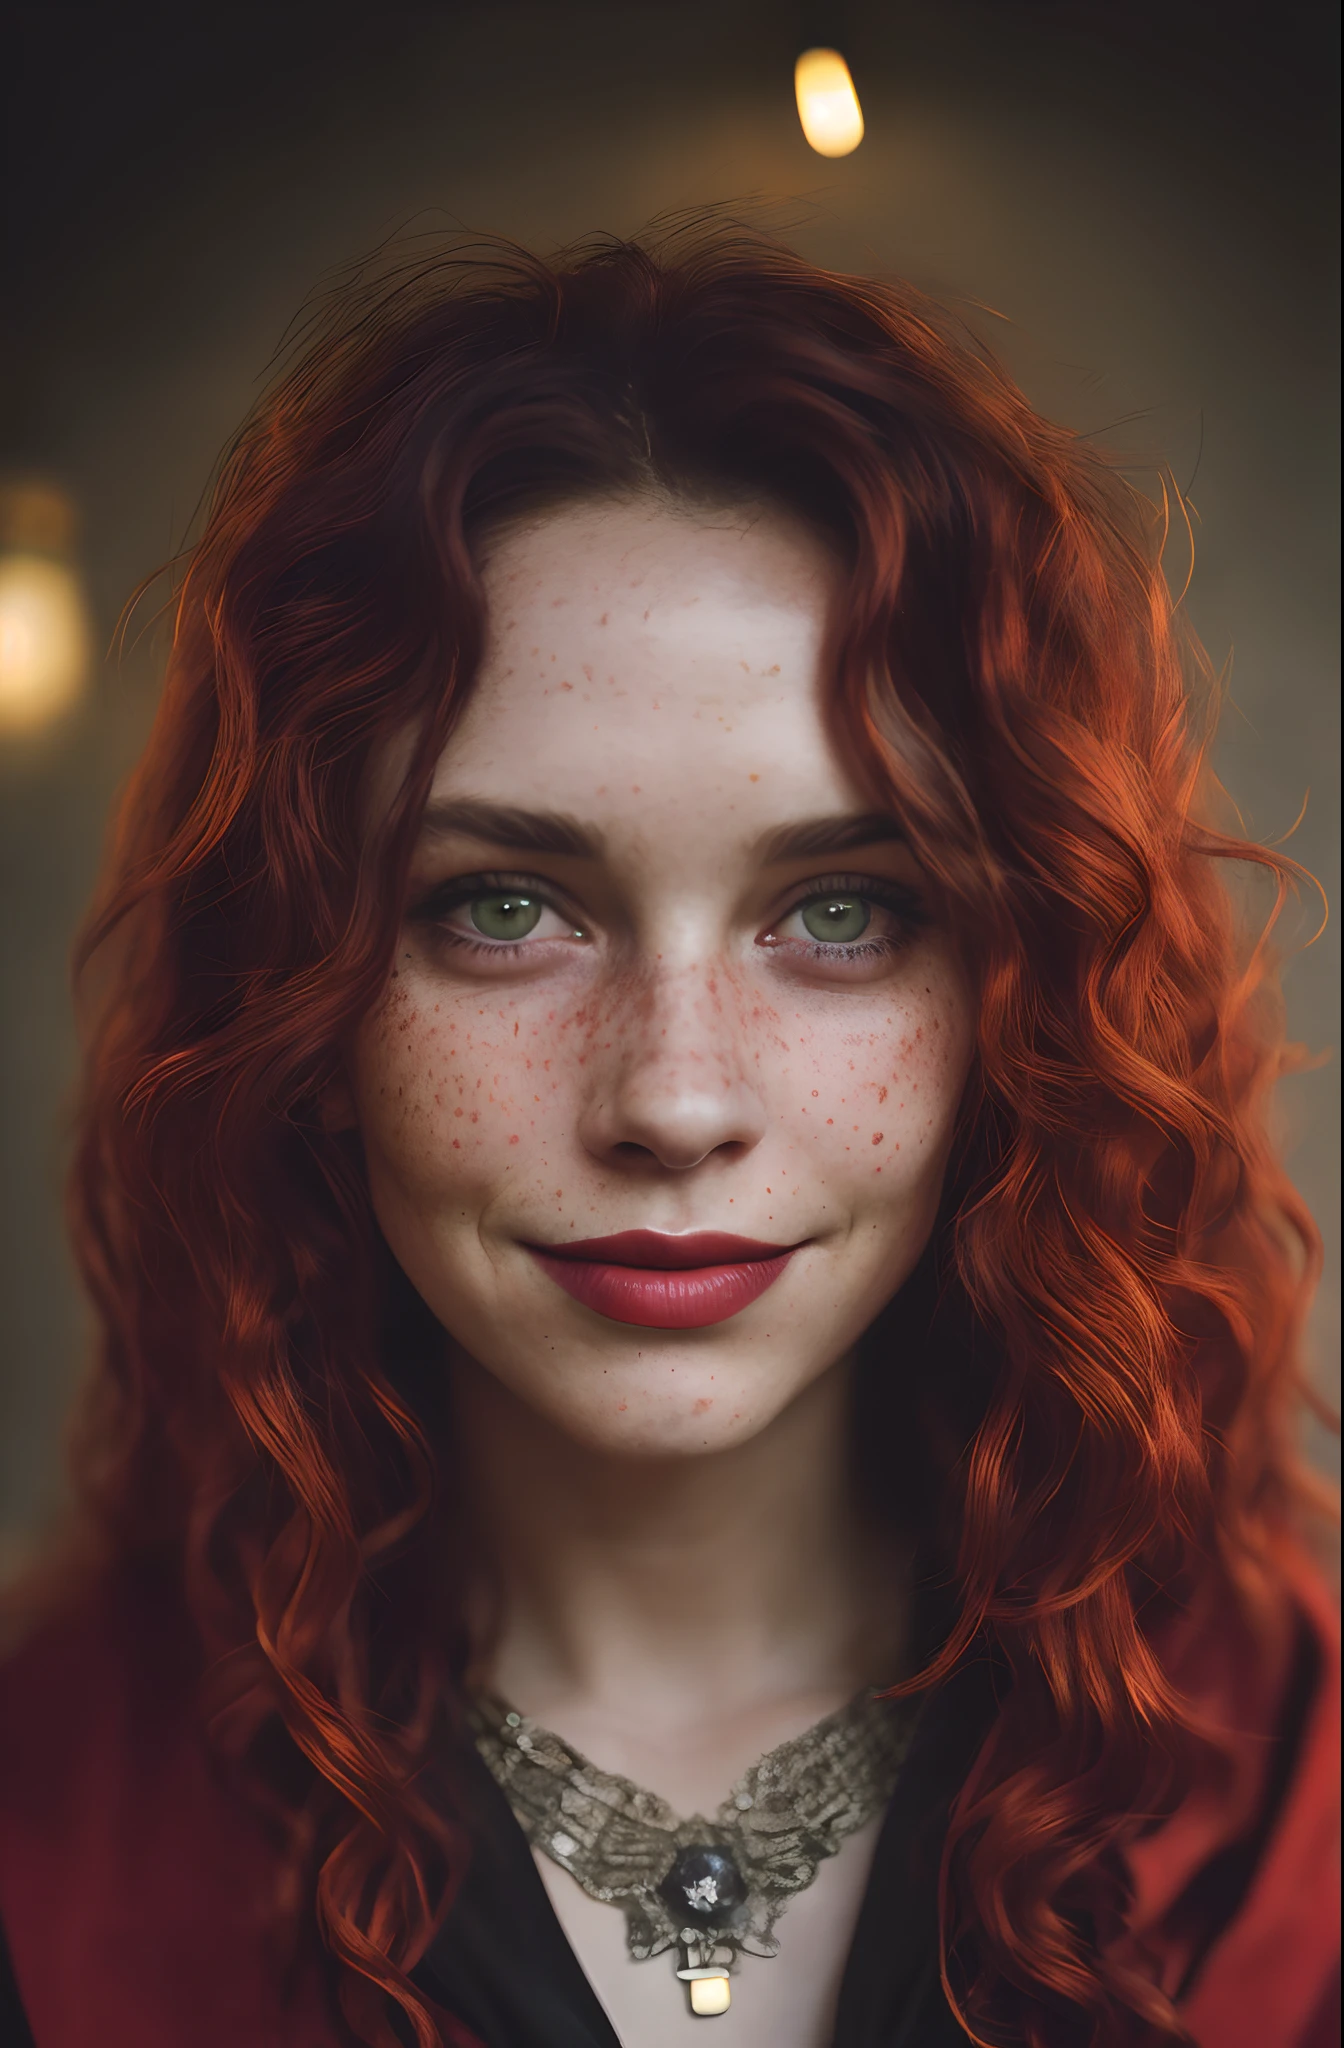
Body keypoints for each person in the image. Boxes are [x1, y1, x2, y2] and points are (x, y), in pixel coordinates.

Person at [0, 218, 1337, 2048]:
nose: (675, 1101)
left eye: (845, 911)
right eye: (500, 906)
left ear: (1022, 1005)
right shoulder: (51, 1814)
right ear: (301, 1002)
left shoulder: (1293, 1804)